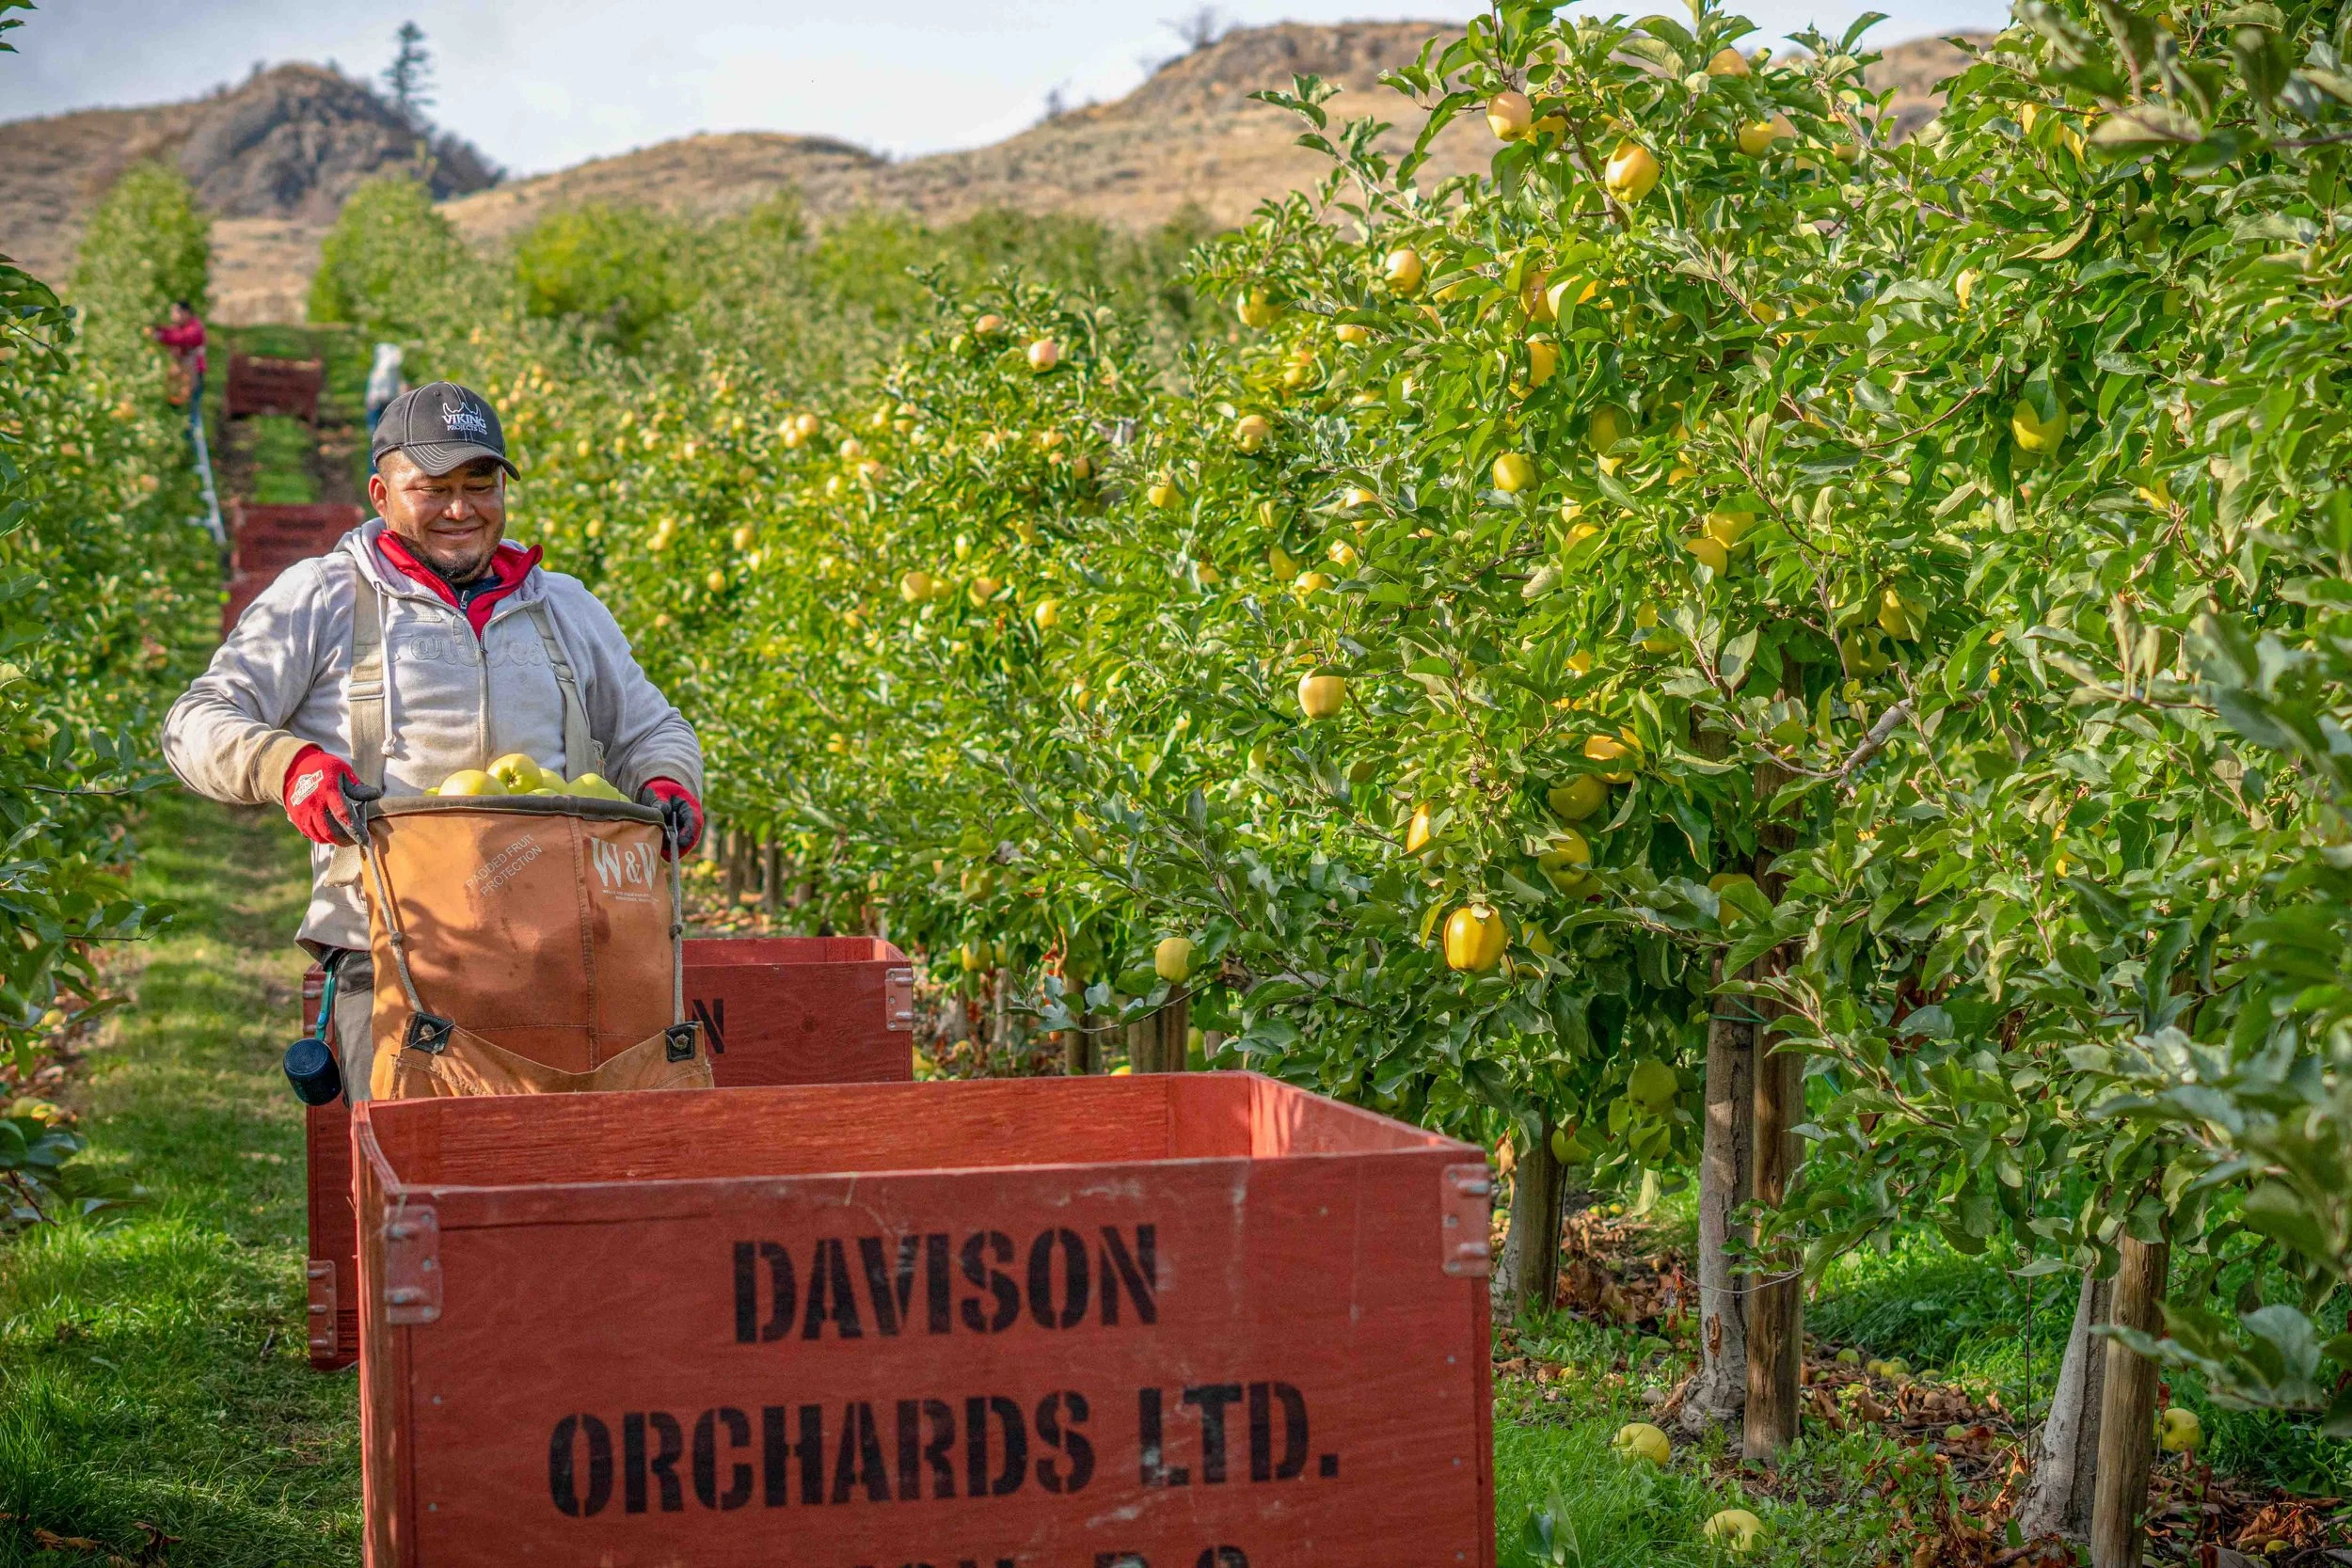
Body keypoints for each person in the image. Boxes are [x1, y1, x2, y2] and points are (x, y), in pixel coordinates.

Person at [163, 381, 706, 1101]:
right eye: (433, 487)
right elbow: (196, 719)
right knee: (416, 1184)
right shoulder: (324, 598)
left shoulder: (563, 607)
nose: (460, 509)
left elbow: (652, 727)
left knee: (567, 1179)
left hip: (563, 955)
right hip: (392, 953)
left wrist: (667, 779)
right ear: (381, 493)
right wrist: (287, 766)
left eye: (479, 485)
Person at [151, 300, 206, 414]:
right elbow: (172, 333)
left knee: (193, 407)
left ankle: (195, 430)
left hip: (194, 372)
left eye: (175, 312)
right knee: (182, 403)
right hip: (184, 372)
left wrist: (160, 335)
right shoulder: (182, 326)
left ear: (185, 312)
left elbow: (180, 337)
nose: (172, 316)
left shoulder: (195, 328)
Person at [364, 341, 405, 436]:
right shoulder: (380, 371)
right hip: (378, 404)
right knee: (376, 433)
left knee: (386, 433)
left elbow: (399, 386)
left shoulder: (393, 371)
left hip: (388, 403)